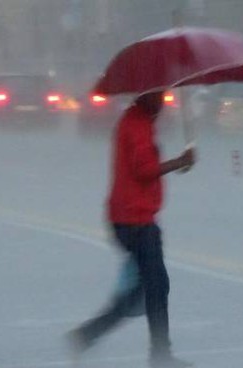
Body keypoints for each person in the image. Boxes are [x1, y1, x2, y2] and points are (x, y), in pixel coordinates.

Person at [68, 91, 195, 368]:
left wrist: (177, 165)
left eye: (163, 96)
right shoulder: (136, 124)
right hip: (135, 220)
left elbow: (143, 169)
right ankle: (160, 356)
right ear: (144, 96)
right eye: (156, 96)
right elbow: (143, 169)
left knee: (146, 289)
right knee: (156, 287)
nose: (161, 102)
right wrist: (178, 162)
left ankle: (86, 336)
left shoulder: (139, 120)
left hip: (131, 217)